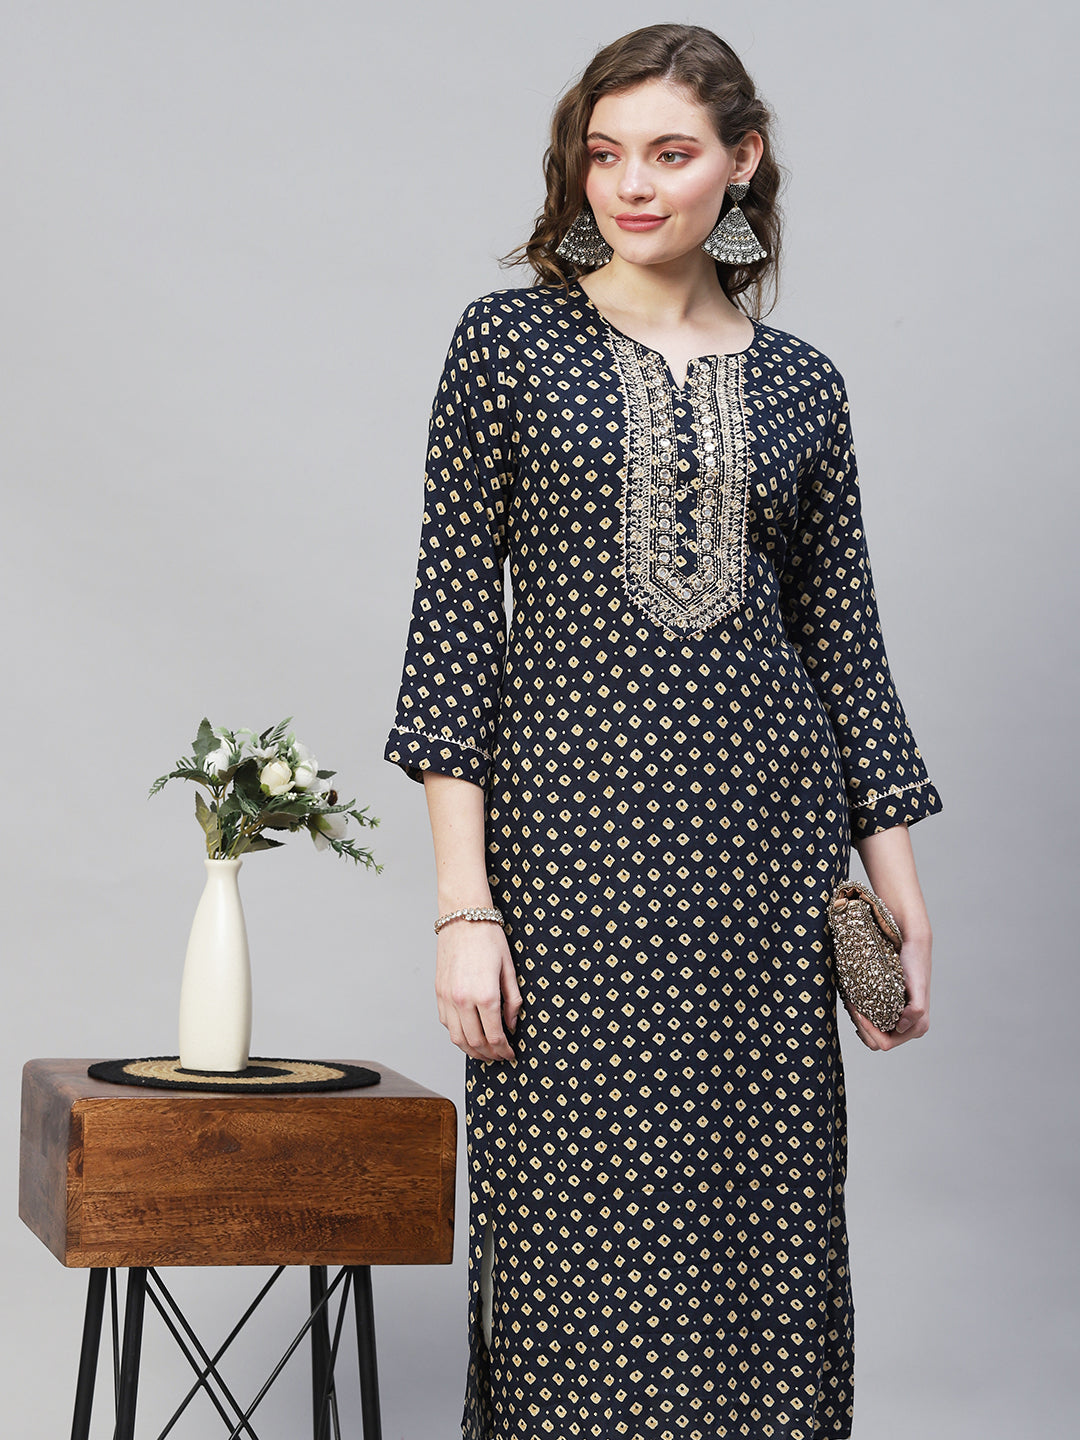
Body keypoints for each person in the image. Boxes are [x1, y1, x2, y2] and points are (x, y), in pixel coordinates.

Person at [384, 22, 942, 1440]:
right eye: (606, 153)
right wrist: (465, 907)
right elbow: (453, 632)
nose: (631, 185)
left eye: (671, 153)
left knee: (766, 1238)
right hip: (573, 869)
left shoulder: (805, 382)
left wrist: (899, 893)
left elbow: (845, 645)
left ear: (741, 161)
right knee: (571, 1246)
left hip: (765, 871)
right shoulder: (508, 344)